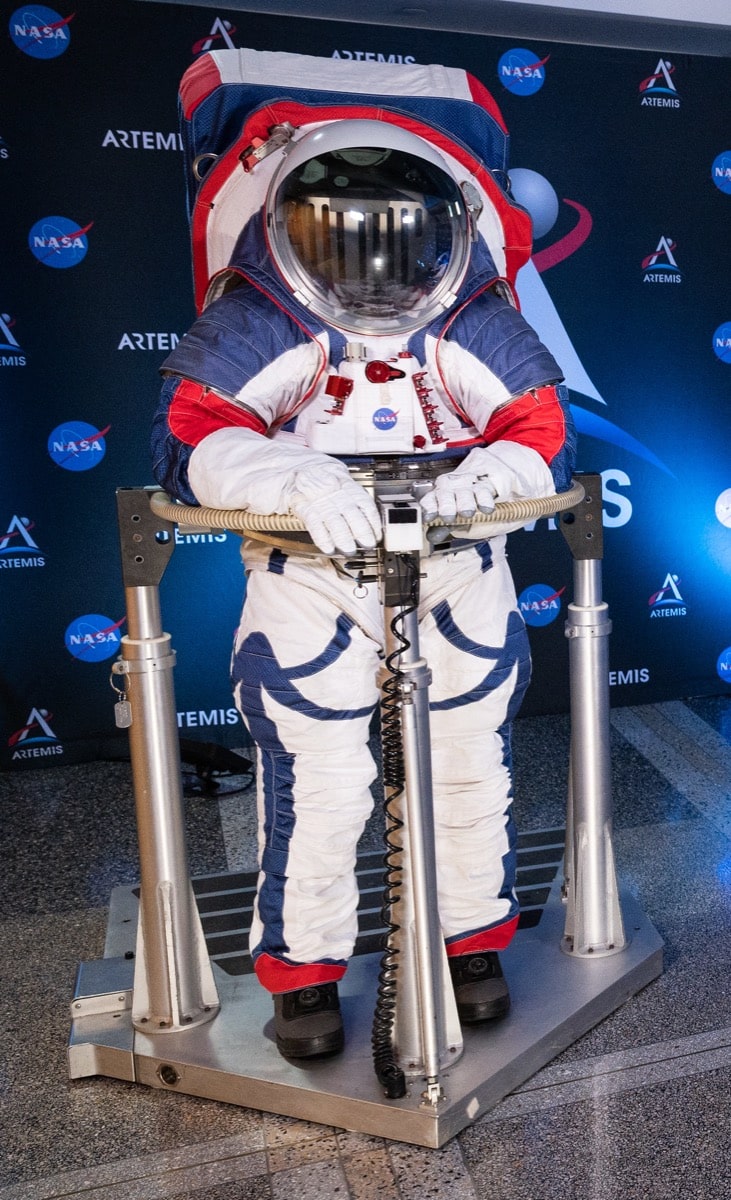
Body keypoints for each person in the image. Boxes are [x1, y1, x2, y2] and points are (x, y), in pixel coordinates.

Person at [152, 113, 576, 1060]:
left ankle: (471, 942)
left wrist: (490, 477)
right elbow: (192, 434)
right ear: (290, 230)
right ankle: (304, 971)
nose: (374, 263)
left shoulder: (472, 314)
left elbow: (540, 429)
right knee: (318, 781)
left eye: (396, 235)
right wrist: (289, 478)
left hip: (454, 563)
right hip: (309, 570)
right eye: (343, 234)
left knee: (469, 769)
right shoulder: (259, 312)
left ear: (442, 233)